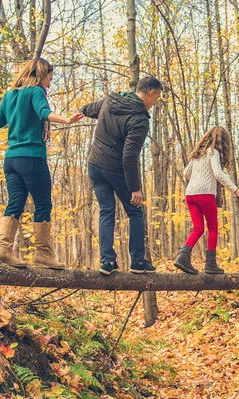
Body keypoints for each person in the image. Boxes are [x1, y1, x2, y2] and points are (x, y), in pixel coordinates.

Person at [0, 58, 84, 269]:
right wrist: (67, 120)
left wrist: (16, 114)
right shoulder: (35, 91)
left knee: (15, 202)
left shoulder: (10, 94)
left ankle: (2, 249)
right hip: (32, 157)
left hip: (11, 159)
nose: (51, 81)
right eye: (50, 76)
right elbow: (43, 113)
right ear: (42, 74)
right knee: (43, 204)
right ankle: (43, 253)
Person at [80, 76, 163, 275]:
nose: (154, 103)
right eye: (156, 98)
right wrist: (135, 188)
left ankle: (107, 262)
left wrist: (81, 112)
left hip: (94, 165)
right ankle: (137, 262)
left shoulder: (111, 100)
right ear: (150, 93)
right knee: (135, 212)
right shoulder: (140, 119)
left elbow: (88, 108)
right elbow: (129, 156)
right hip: (114, 168)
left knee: (107, 211)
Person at [174, 126, 239, 275]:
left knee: (198, 228)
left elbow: (186, 173)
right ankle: (210, 264)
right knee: (212, 227)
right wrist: (235, 190)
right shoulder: (213, 152)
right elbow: (218, 173)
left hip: (190, 195)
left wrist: (198, 173)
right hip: (205, 194)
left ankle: (183, 257)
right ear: (223, 141)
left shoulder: (197, 154)